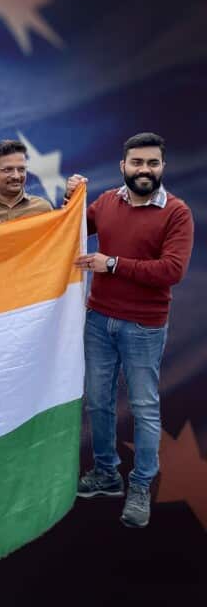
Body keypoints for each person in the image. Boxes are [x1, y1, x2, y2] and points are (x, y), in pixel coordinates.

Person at [72, 132, 194, 528]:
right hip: (98, 320)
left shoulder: (177, 213)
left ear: (162, 167)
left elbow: (171, 272)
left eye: (152, 163)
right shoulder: (106, 202)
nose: (145, 170)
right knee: (98, 401)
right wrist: (71, 196)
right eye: (137, 163)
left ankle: (140, 483)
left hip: (144, 326)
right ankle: (106, 473)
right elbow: (68, 230)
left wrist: (112, 264)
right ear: (122, 166)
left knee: (143, 406)